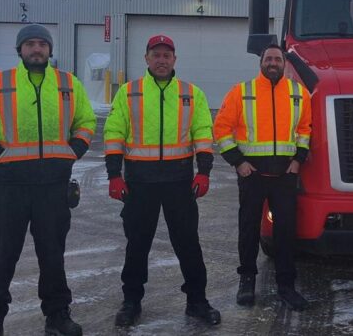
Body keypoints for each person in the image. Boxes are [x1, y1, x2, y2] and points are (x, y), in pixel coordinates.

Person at [0, 24, 96, 336]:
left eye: (42, 44)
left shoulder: (67, 84)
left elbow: (86, 121)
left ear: (50, 50)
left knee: (52, 256)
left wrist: (73, 150)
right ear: (20, 50)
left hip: (53, 185)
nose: (37, 49)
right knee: (2, 255)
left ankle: (57, 315)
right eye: (30, 44)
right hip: (10, 187)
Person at [103, 34, 220, 327]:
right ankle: (131, 302)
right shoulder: (129, 92)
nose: (161, 60)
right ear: (146, 59)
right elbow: (114, 133)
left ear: (174, 60)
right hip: (139, 183)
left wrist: (203, 171)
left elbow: (203, 133)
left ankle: (197, 301)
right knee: (137, 244)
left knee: (188, 243)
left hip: (179, 182)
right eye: (156, 54)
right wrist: (114, 175)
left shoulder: (191, 93)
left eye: (167, 55)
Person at [213, 44, 312, 311]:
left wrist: (297, 161)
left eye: (277, 59)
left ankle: (286, 286)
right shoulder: (241, 92)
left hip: (285, 175)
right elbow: (221, 129)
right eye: (268, 58)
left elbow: (305, 129)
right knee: (248, 228)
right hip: (252, 174)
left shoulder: (298, 93)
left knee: (285, 231)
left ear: (284, 63)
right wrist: (238, 162)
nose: (272, 63)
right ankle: (247, 281)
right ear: (261, 62)